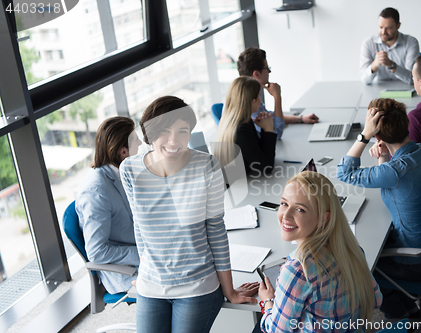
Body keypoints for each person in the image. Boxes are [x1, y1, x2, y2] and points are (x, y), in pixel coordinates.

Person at [119, 96, 259, 333]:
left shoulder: (206, 166)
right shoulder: (130, 170)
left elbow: (216, 231)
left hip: (197, 285)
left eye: (182, 131)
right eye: (165, 130)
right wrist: (146, 270)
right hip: (151, 285)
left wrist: (230, 290)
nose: (174, 141)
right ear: (150, 131)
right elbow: (139, 228)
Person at [337, 98, 421, 319]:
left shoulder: (396, 171)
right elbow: (392, 178)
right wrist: (384, 156)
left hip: (415, 261)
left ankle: (403, 319)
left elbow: (343, 173)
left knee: (360, 268)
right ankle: (411, 308)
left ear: (378, 135)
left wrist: (363, 136)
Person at [256, 171, 382, 332]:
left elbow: (276, 330)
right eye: (284, 204)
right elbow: (376, 300)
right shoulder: (353, 250)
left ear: (323, 218)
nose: (285, 215)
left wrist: (268, 302)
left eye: (300, 209)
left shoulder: (297, 271)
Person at [76, 116, 142, 294]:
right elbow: (97, 252)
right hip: (126, 271)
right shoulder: (96, 192)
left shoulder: (121, 171)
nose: (141, 142)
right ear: (123, 151)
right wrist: (142, 254)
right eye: (136, 140)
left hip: (144, 246)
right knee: (184, 276)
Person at [237, 47, 319, 140]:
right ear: (256, 74)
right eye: (267, 68)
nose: (269, 72)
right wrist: (277, 97)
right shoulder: (250, 100)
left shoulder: (245, 92)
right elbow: (276, 133)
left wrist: (301, 119)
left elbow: (270, 117)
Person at [215, 76, 277, 175]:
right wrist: (268, 129)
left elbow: (259, 154)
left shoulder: (238, 121)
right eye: (259, 96)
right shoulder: (241, 130)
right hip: (241, 186)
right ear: (253, 100)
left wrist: (264, 128)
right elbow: (266, 168)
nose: (260, 101)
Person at [360, 7, 419, 85]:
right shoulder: (368, 43)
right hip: (378, 90)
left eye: (388, 28)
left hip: (405, 88)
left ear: (398, 26)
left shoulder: (411, 42)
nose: (383, 32)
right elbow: (364, 80)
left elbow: (412, 79)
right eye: (380, 27)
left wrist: (392, 65)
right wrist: (375, 64)